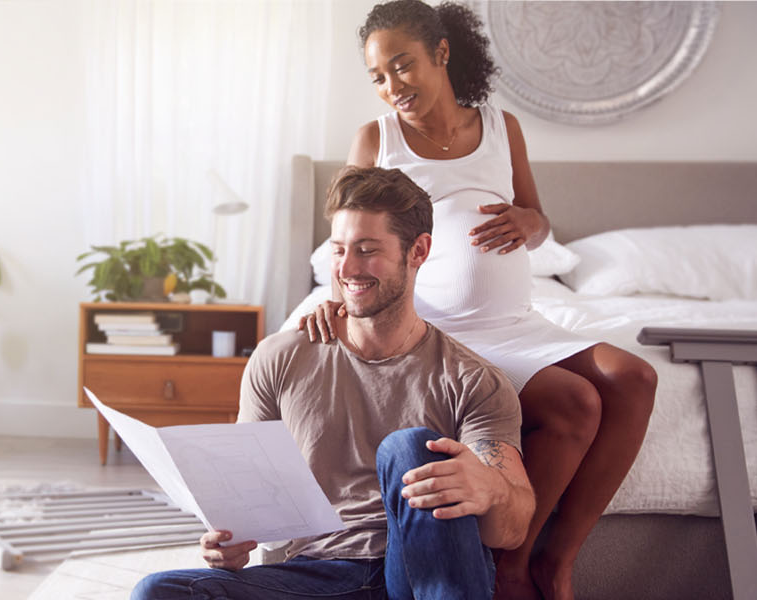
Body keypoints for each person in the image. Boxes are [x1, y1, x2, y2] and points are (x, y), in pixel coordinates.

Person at [298, 2, 657, 599]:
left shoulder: (500, 127)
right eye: (378, 77)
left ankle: (558, 558)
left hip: (518, 321)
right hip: (443, 331)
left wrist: (527, 221)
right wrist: (335, 299)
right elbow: (346, 234)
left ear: (442, 53)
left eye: (403, 65)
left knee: (636, 378)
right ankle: (514, 567)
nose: (392, 87)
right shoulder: (377, 137)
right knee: (575, 404)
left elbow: (540, 222)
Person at [132, 166, 535, 600]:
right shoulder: (280, 358)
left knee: (411, 448)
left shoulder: (473, 380)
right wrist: (225, 544)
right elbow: (245, 497)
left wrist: (491, 489)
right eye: (339, 250)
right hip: (312, 578)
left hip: (415, 580)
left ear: (418, 251)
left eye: (366, 250)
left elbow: (511, 531)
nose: (347, 268)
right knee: (158, 591)